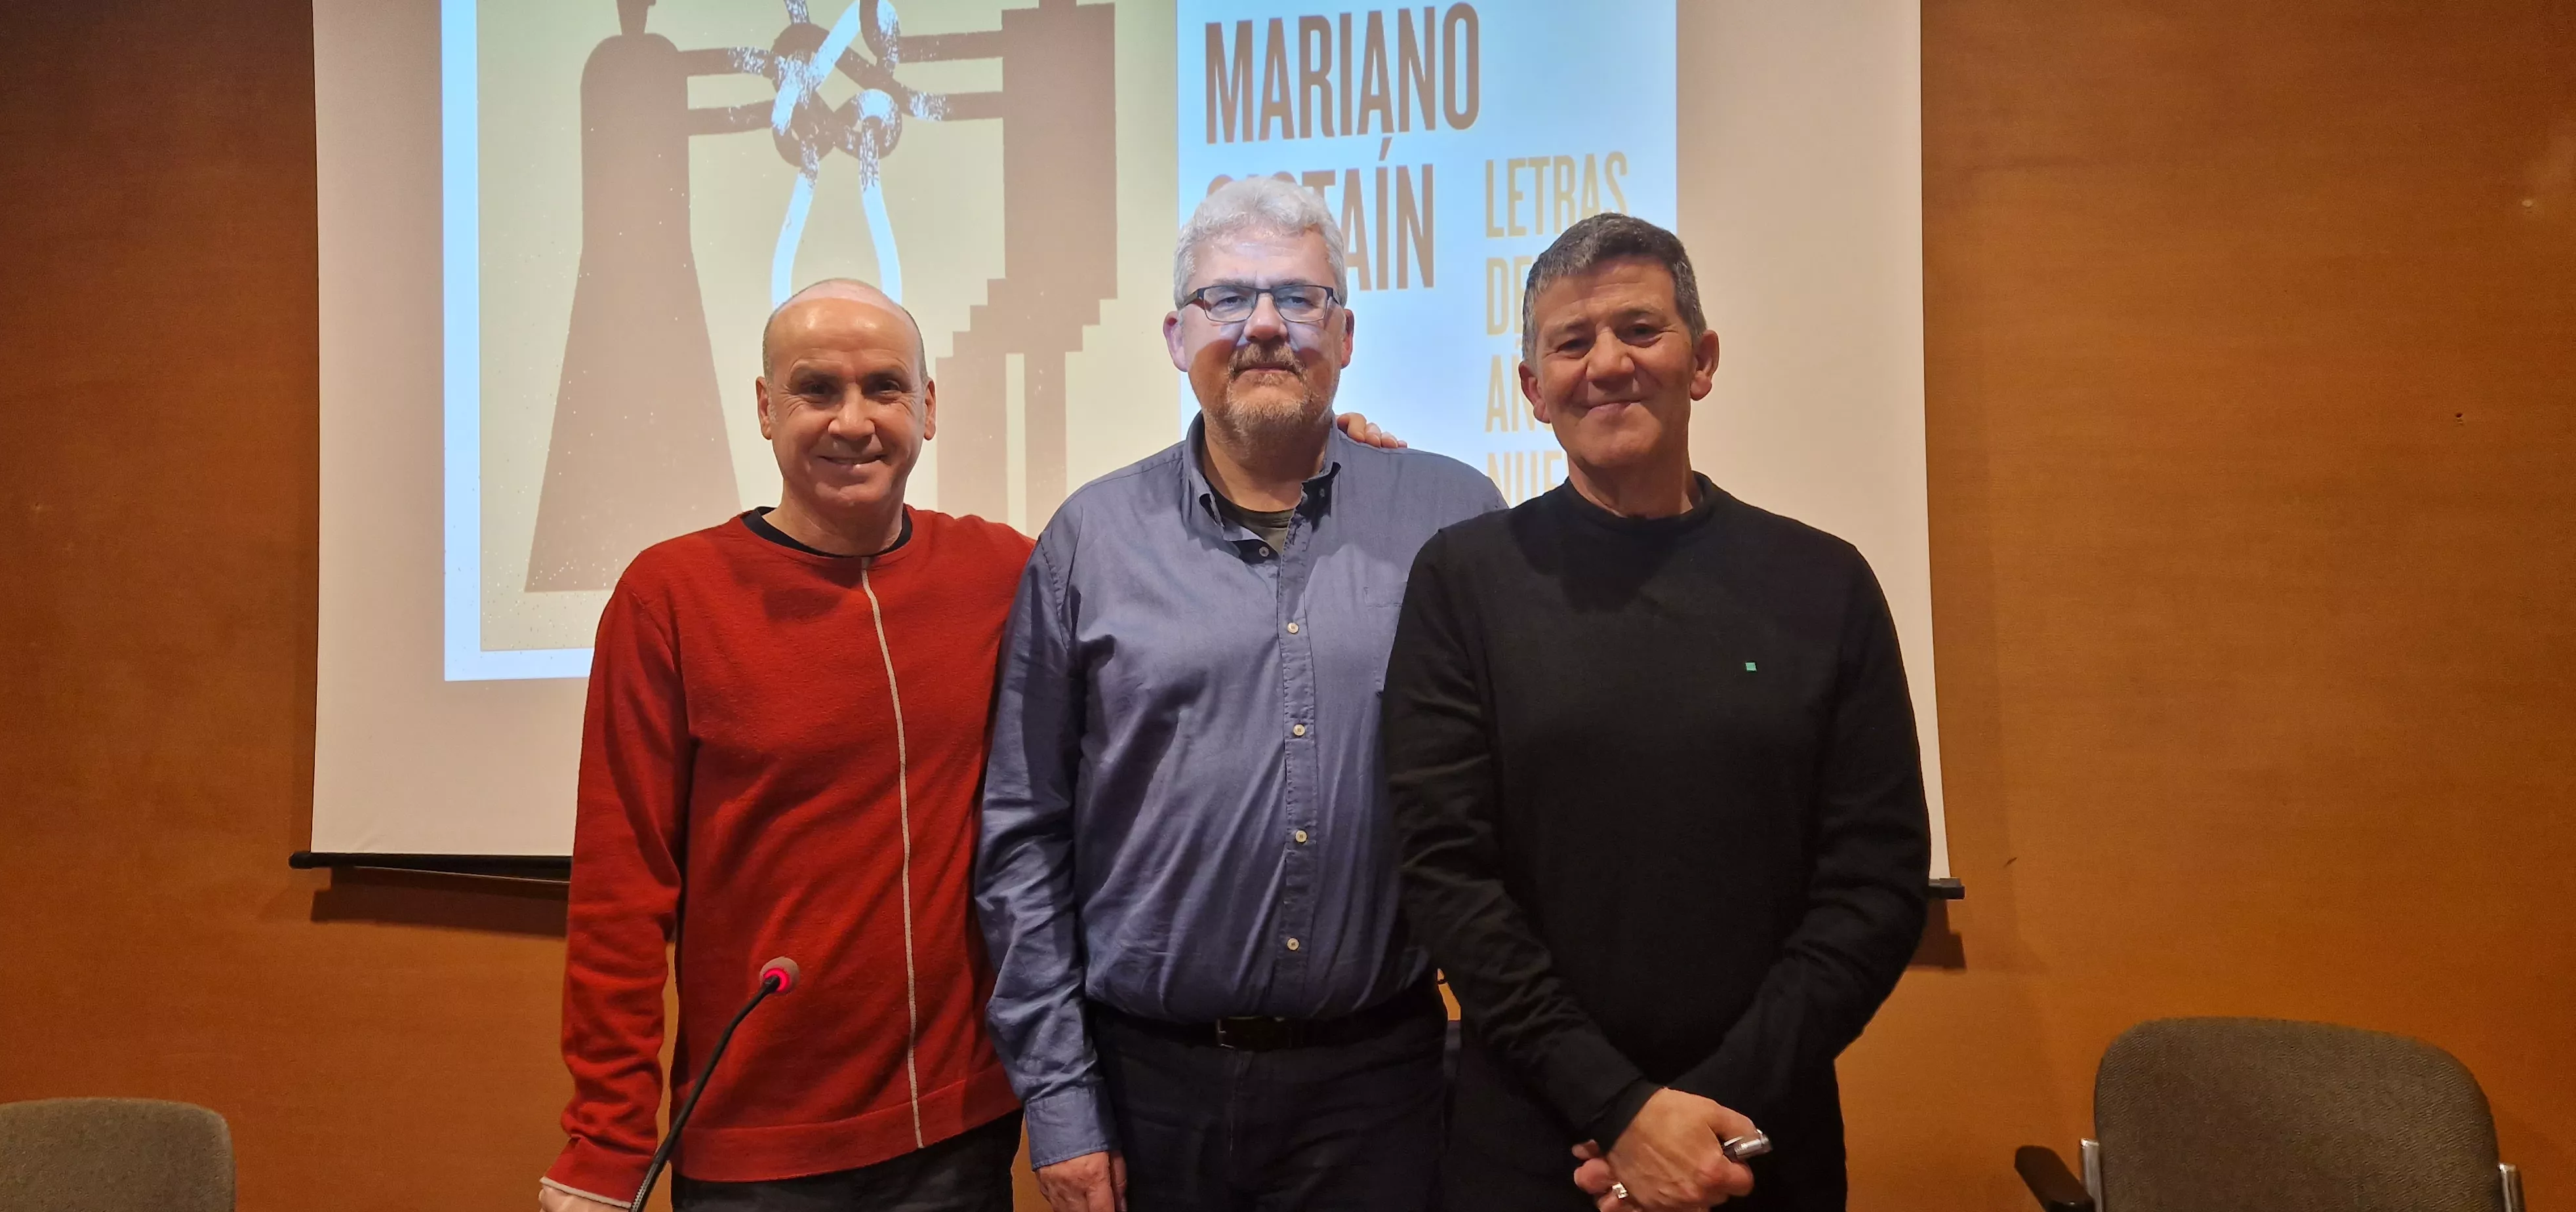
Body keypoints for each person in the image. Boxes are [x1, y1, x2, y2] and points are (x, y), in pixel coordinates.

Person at [537, 278, 1403, 1212]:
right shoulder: (670, 598)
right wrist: (607, 1146)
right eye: (816, 390)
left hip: (961, 1131)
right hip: (756, 1146)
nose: (853, 420)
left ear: (929, 407)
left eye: (883, 388)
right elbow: (622, 899)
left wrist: (1316, 462)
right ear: (763, 408)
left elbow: (1176, 584)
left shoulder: (1005, 571)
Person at [975, 176, 1506, 1212]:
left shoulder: (1454, 518)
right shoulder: (1088, 540)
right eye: (1227, 300)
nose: (1264, 324)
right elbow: (1022, 837)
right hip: (1146, 1096)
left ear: (1344, 333)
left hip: (1383, 1089)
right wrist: (1063, 1105)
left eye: (1299, 298)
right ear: (1178, 337)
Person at [1383, 214, 1931, 1212]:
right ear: (1531, 391)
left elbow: (1877, 883)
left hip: (1757, 1146)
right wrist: (1622, 1111)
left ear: (1703, 359)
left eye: (1640, 329)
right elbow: (1448, 876)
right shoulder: (1463, 581)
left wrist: (1708, 1110)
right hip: (1534, 1147)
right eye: (1571, 342)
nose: (1607, 364)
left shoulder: (1824, 583)